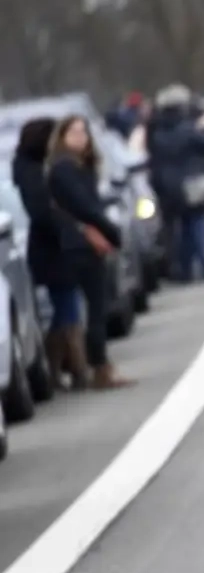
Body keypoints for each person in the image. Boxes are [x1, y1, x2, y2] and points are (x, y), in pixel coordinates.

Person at [44, 115, 134, 389]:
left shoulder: (81, 166)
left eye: (83, 132)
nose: (80, 137)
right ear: (62, 137)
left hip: (82, 242)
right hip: (80, 244)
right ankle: (98, 368)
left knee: (92, 308)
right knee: (94, 308)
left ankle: (91, 365)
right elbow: (85, 206)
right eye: (73, 132)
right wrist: (111, 231)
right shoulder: (64, 168)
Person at [11, 117, 89, 390]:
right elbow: (42, 212)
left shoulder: (33, 169)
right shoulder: (32, 173)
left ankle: (58, 370)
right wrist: (68, 225)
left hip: (54, 247)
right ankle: (78, 369)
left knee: (64, 309)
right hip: (51, 250)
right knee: (68, 308)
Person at [146, 83, 204, 282]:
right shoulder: (189, 128)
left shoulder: (155, 129)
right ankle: (203, 266)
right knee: (197, 224)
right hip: (191, 184)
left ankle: (183, 270)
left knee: (176, 229)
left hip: (165, 186)